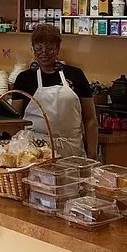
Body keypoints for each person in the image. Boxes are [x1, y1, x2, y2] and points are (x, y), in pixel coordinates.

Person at [12, 24, 98, 158]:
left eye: (49, 48)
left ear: (57, 49)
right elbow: (14, 120)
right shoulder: (24, 79)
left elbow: (90, 118)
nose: (44, 53)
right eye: (39, 49)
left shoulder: (76, 75)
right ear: (33, 49)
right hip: (34, 150)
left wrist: (92, 154)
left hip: (71, 149)